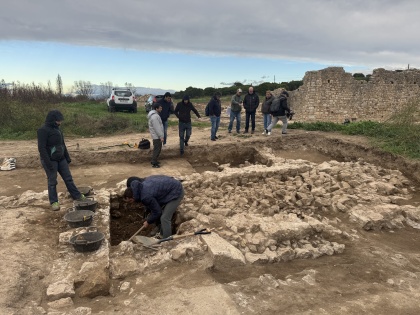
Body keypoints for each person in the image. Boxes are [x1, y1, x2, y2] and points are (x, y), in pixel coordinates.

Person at [37, 109, 86, 211]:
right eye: (58, 120)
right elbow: (41, 148)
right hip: (50, 160)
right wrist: (48, 163)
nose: (60, 122)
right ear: (53, 120)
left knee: (68, 178)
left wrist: (67, 157)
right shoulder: (43, 130)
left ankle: (76, 196)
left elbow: (62, 144)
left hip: (61, 158)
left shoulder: (58, 129)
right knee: (52, 181)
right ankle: (54, 202)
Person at [148, 103, 164, 168]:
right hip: (156, 136)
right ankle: (154, 163)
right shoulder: (155, 117)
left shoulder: (155, 115)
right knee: (157, 149)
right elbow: (157, 128)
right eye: (160, 108)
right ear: (156, 109)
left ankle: (154, 160)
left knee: (157, 149)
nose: (161, 109)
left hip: (156, 136)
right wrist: (161, 136)